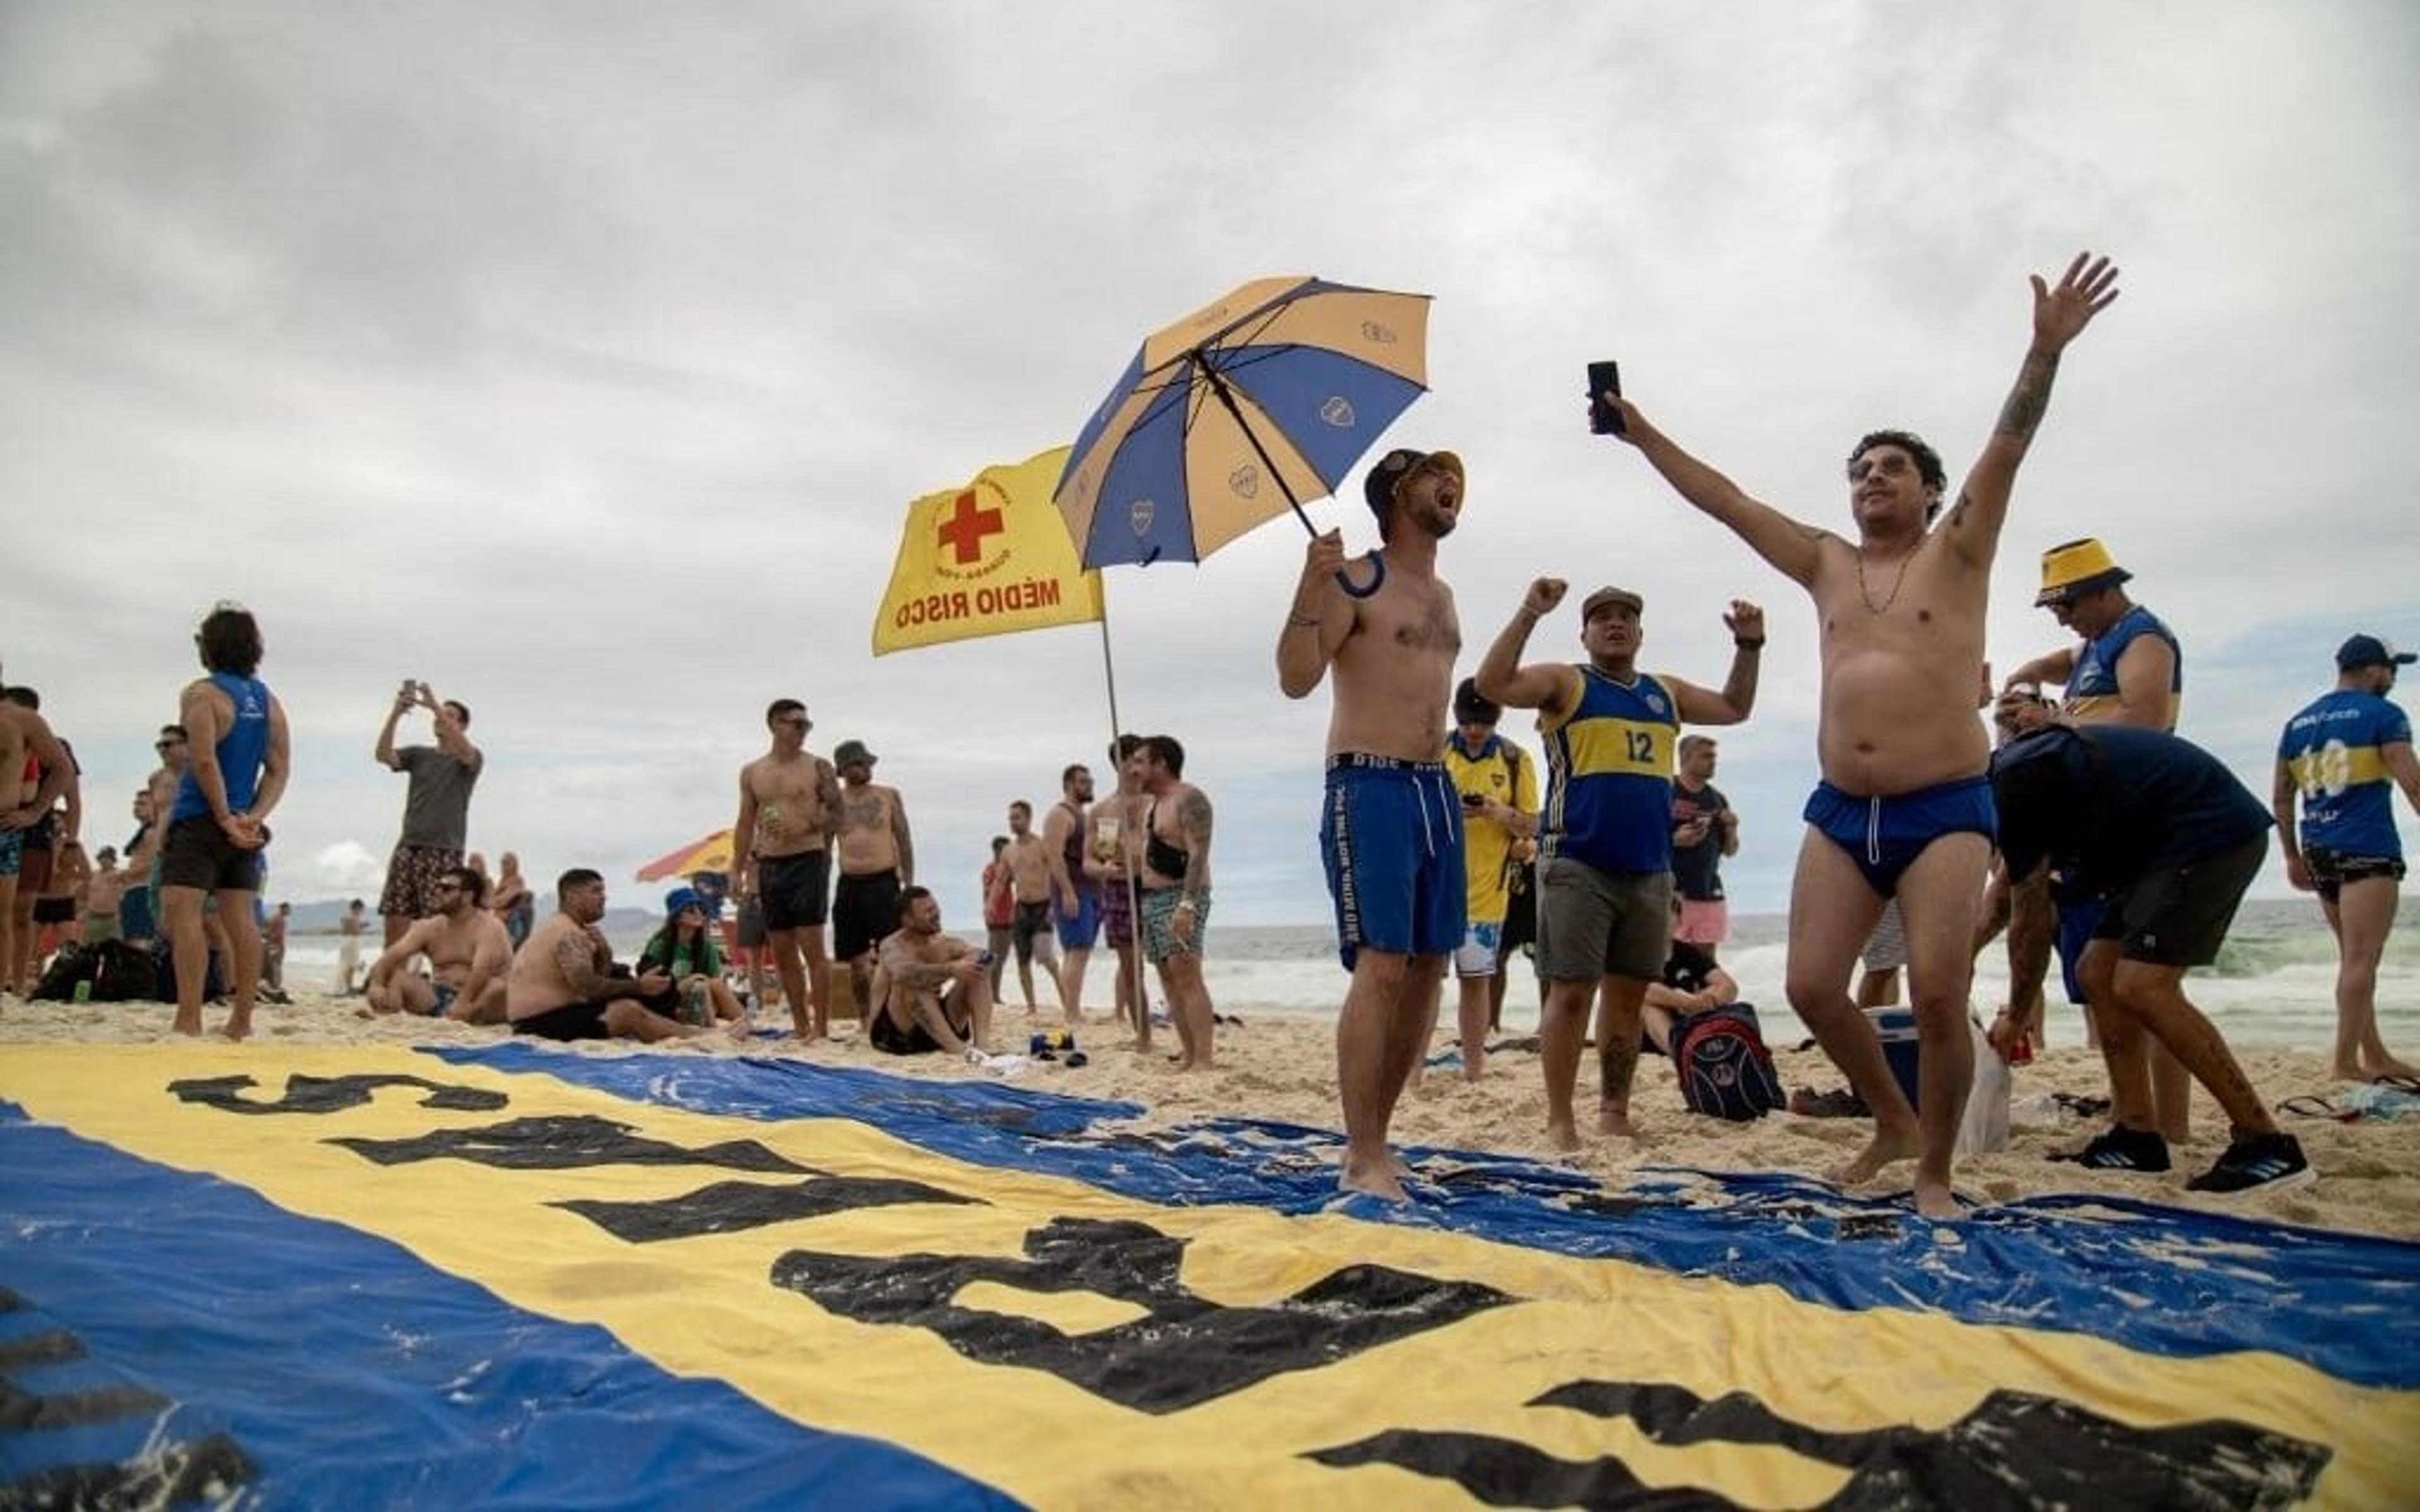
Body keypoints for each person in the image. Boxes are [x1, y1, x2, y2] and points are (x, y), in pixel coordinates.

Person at [1605, 251, 2120, 1218]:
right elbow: (1726, 499)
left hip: (1945, 805)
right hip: (1842, 809)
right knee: (1809, 986)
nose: (1871, 480)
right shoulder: (1826, 562)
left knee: (1933, 989)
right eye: (1858, 472)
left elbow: (2006, 449)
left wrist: (2044, 351)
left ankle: (1934, 1171)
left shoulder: (1958, 550)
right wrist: (1640, 435)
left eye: (1890, 469)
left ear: (1928, 491)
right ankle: (1893, 1121)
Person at [1475, 581, 1762, 1148]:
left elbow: (1735, 708)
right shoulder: (1568, 682)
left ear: (1640, 632)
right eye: (1601, 617)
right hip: (1577, 861)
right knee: (1572, 993)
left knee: (1628, 997)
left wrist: (1749, 647)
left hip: (1651, 869)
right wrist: (1531, 612)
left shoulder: (1665, 692)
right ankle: (1561, 1119)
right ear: (1583, 633)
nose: (1614, 624)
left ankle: (1613, 1111)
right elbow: (1492, 684)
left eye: (1626, 616)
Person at [1993, 723, 2311, 1194]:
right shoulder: (2007, 779)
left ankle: (2265, 1141)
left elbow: (2029, 922)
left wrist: (2018, 1017)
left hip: (2208, 833)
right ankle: (2137, 1136)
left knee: (2143, 985)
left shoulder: (2014, 789)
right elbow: (1998, 908)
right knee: (2096, 973)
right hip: (2149, 854)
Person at [1274, 445, 1466, 1200]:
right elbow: (1295, 677)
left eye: (1454, 478)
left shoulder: (1445, 594)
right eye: (1433, 477)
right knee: (1383, 964)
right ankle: (1361, 1153)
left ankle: (1380, 1138)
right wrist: (1310, 580)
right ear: (1396, 493)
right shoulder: (1358, 577)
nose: (1451, 486)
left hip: (1436, 786)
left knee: (1429, 969)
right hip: (1370, 783)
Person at [2004, 537, 2191, 1140]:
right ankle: (2132, 1113)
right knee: (2104, 980)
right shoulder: (2094, 644)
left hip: (2147, 823)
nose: (2061, 616)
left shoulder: (2143, 638)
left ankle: (2175, 1126)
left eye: (2067, 603)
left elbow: (2146, 716)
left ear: (2106, 590)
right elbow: (2056, 663)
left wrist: (2057, 721)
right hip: (2106, 828)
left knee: (2149, 985)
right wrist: (2029, 678)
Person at [2274, 634, 2420, 1083]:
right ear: (2375, 669)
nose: (2393, 678)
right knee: (2362, 960)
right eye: (2392, 670)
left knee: (2353, 959)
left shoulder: (2299, 723)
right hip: (2366, 845)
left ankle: (2372, 1054)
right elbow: (2412, 783)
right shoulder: (2384, 714)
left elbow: (2282, 796)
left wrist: (2292, 857)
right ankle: (2345, 1063)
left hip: (2319, 848)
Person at [160, 604, 291, 1039]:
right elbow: (278, 769)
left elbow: (202, 760)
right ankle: (241, 1022)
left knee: (184, 917)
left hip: (200, 820)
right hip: (243, 825)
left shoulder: (202, 695)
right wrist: (252, 817)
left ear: (209, 646)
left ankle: (189, 1019)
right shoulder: (267, 700)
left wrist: (222, 817)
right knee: (242, 922)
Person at [1438, 677, 1540, 1082]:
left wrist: (1499, 813)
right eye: (1466, 722)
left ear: (1497, 718)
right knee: (1425, 981)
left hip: (1488, 892)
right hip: (1436, 887)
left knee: (1476, 980)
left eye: (1482, 722)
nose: (1474, 730)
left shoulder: (1516, 759)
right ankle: (1411, 1068)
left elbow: (1532, 824)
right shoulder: (1436, 750)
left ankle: (1475, 1069)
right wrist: (1451, 810)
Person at [734, 699, 841, 1040]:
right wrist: (736, 870)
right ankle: (800, 1025)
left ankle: (820, 1028)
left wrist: (814, 822)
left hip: (808, 857)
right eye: (796, 724)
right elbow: (745, 822)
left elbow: (838, 813)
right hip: (770, 861)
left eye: (807, 725)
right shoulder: (753, 772)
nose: (803, 731)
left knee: (811, 943)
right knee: (781, 947)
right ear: (775, 725)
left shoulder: (818, 767)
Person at [507, 868, 712, 1044]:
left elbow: (597, 979)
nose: (604, 897)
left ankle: (685, 1031)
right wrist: (640, 986)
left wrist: (605, 952)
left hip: (545, 1018)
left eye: (603, 891)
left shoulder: (568, 928)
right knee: (627, 1011)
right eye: (596, 891)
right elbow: (589, 988)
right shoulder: (567, 933)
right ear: (572, 896)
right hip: (536, 1025)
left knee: (630, 993)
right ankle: (698, 1038)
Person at [1127, 735, 1218, 1070]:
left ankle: (1204, 1059)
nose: (1132, 769)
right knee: (1168, 978)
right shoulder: (1152, 805)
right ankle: (1189, 1053)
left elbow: (1198, 855)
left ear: (1160, 763)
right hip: (1151, 899)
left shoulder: (1190, 800)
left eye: (1139, 761)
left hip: (1180, 896)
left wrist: (1188, 905)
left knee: (1187, 974)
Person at [2, 685, 82, 998]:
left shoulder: (23, 721)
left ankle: (13, 987)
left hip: (8, 826)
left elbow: (65, 774)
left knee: (12, 914)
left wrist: (36, 812)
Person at [829, 738, 914, 1025]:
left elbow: (904, 839)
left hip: (884, 882)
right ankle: (866, 1018)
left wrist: (910, 885)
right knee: (856, 963)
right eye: (856, 763)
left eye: (865, 762)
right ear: (842, 769)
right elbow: (826, 846)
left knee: (892, 954)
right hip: (850, 883)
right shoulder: (834, 801)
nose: (863, 767)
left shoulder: (888, 795)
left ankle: (892, 1014)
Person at [363, 866, 512, 1022]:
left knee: (497, 987)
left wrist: (463, 1001)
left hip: (478, 997)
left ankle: (460, 1018)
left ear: (467, 897)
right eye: (437, 887)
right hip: (439, 994)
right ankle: (386, 1015)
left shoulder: (489, 926)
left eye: (446, 889)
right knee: (398, 977)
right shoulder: (430, 927)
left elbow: (482, 970)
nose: (438, 892)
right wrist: (376, 984)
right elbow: (391, 957)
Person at [867, 885, 996, 1058]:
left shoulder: (944, 944)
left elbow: (985, 956)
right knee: (912, 982)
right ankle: (958, 1049)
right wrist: (951, 969)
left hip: (938, 1027)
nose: (936, 914)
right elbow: (901, 972)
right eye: (928, 911)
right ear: (908, 920)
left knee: (978, 970)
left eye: (935, 908)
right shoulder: (892, 945)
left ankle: (982, 1048)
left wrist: (977, 959)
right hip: (898, 1033)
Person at [1086, 734, 1155, 1049]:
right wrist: (1103, 869)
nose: (1140, 767)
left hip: (1155, 885)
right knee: (1131, 969)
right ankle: (1143, 1036)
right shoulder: (1103, 811)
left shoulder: (1156, 801)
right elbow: (1092, 859)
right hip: (1118, 889)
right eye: (1136, 759)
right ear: (1122, 763)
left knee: (1171, 965)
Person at [636, 886, 747, 1027]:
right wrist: (693, 979)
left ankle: (745, 1024)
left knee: (711, 984)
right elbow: (653, 988)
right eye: (690, 910)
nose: (698, 913)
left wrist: (698, 980)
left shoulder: (707, 948)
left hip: (700, 1001)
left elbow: (715, 984)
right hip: (668, 1002)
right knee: (700, 983)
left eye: (701, 909)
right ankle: (715, 1030)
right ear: (676, 918)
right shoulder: (661, 946)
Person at [1042, 763, 1100, 1024]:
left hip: (1092, 889)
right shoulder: (1060, 814)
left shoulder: (1085, 816)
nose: (1089, 787)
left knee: (1083, 951)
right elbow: (1053, 857)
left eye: (1090, 782)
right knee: (1076, 951)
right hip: (1073, 890)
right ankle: (1071, 1012)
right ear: (1069, 785)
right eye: (1083, 782)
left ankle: (1074, 1009)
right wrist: (1067, 892)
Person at [1669, 735, 1737, 952]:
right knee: (1666, 964)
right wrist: (1674, 841)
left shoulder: (1717, 799)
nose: (1713, 761)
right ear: (1686, 757)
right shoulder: (1666, 790)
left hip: (1708, 891)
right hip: (1671, 893)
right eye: (1706, 756)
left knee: (1706, 966)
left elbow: (1730, 851)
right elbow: (1641, 839)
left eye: (1714, 757)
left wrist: (1731, 828)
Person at [1001, 799, 1062, 1015]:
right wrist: (991, 903)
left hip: (1043, 906)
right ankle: (1031, 1007)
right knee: (1022, 960)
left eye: (1017, 817)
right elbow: (1002, 880)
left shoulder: (1042, 845)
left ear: (1028, 818)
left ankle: (1067, 1001)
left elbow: (1057, 875)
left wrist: (1056, 906)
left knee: (1046, 958)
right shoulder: (1009, 850)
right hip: (1022, 907)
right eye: (1011, 818)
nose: (1013, 822)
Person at [979, 835, 1015, 1000]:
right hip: (996, 917)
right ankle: (986, 993)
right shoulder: (992, 869)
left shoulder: (1004, 868)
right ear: (997, 851)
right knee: (993, 957)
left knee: (1000, 958)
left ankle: (995, 994)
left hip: (1007, 916)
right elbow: (987, 892)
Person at [489, 851, 536, 949]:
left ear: (514, 865)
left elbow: (505, 900)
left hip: (511, 921)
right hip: (499, 920)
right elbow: (493, 902)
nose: (504, 867)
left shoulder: (517, 880)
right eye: (502, 864)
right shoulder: (502, 881)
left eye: (507, 863)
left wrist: (498, 902)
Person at [335, 898, 368, 994]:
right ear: (357, 908)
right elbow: (354, 931)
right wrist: (361, 927)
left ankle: (348, 986)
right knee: (350, 966)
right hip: (352, 942)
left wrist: (360, 926)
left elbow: (348, 929)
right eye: (361, 910)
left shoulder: (349, 917)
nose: (362, 912)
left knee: (348, 965)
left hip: (349, 942)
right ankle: (348, 987)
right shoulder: (352, 917)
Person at [263, 901, 291, 995]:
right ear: (283, 909)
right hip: (276, 945)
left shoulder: (275, 918)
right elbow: (277, 935)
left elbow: (268, 931)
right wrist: (276, 943)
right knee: (276, 966)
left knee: (274, 965)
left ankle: (274, 985)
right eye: (288, 909)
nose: (290, 911)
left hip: (273, 944)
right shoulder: (279, 919)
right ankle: (276, 986)